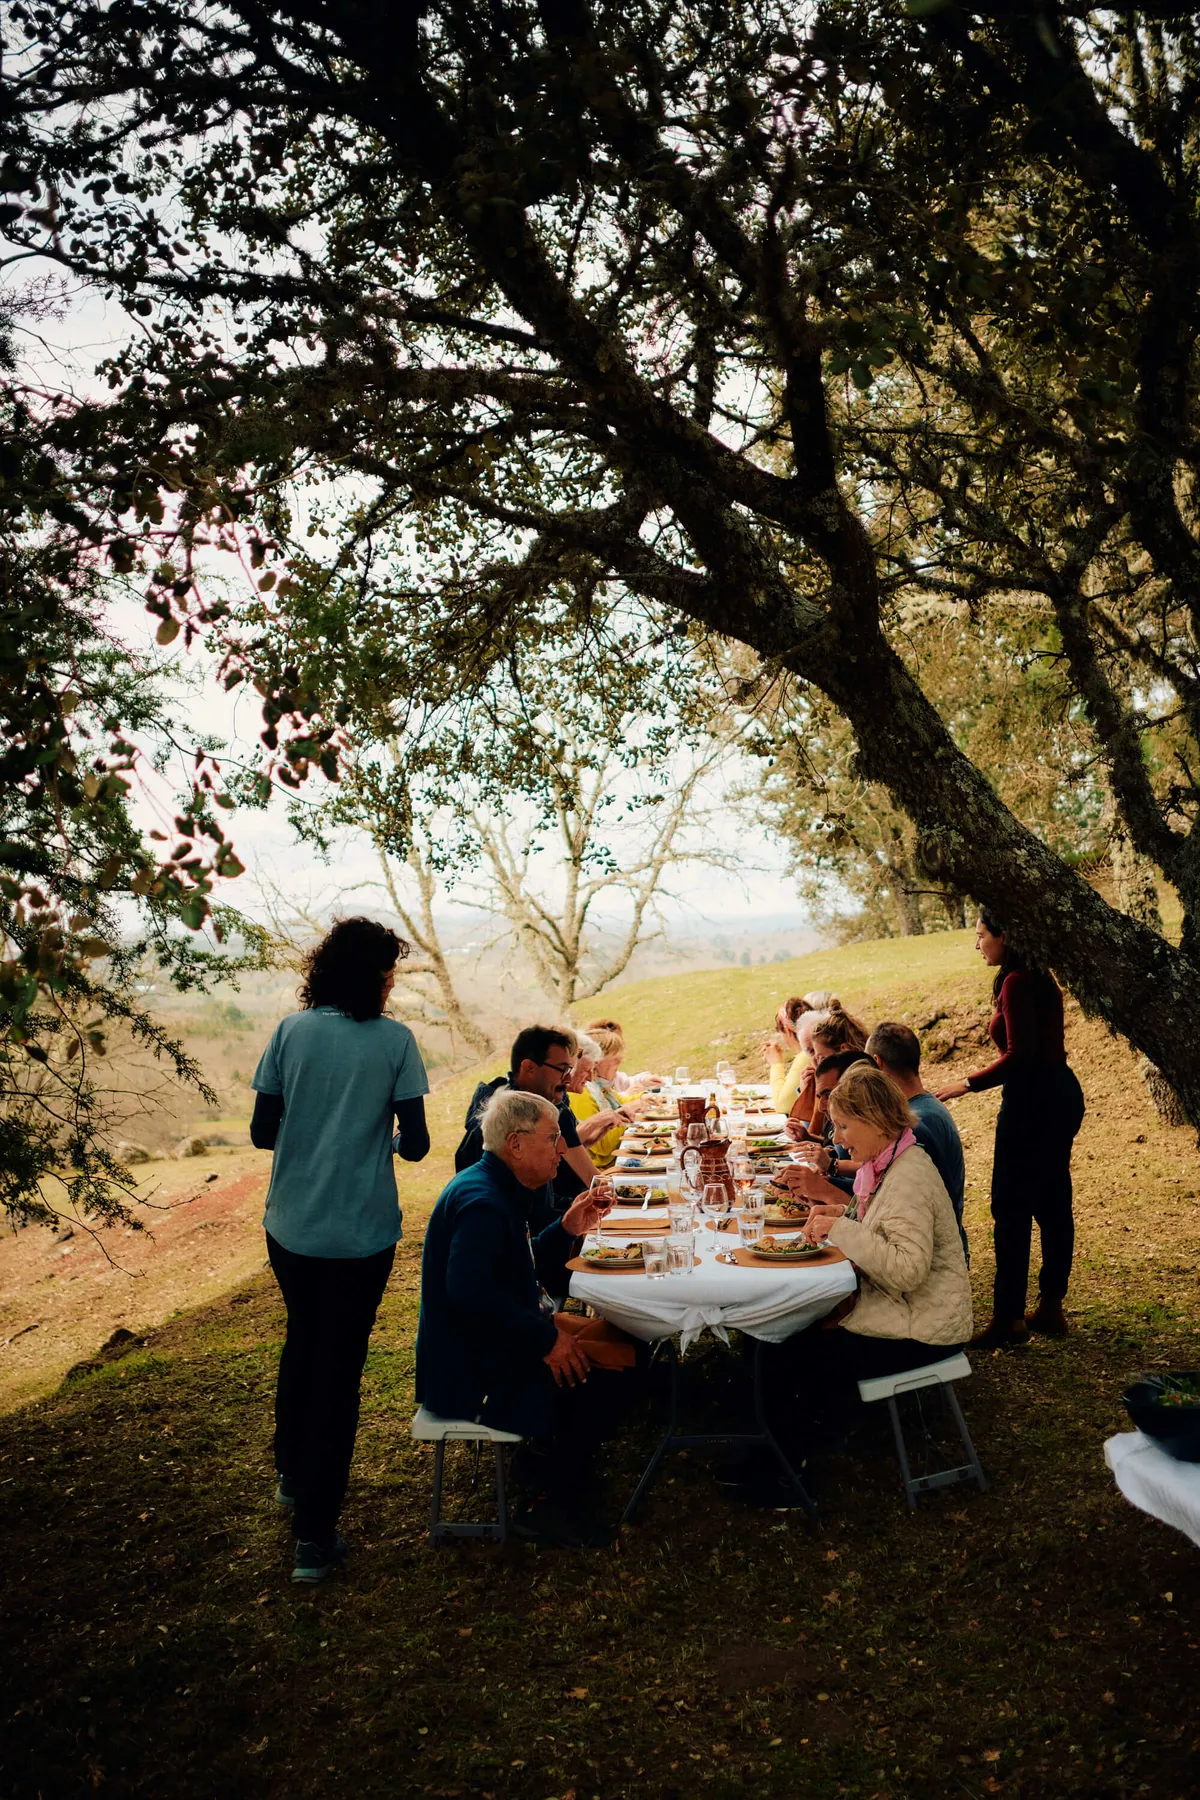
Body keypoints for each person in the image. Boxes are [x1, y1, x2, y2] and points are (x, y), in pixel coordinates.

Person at [250, 916, 430, 1584]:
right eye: (388, 974)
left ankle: (293, 1475)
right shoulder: (394, 1043)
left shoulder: (290, 1032)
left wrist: (316, 1130)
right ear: (375, 978)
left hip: (291, 1225)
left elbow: (263, 1131)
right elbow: (414, 1144)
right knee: (338, 1370)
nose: (390, 986)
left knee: (303, 1340)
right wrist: (370, 1136)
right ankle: (314, 1538)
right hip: (360, 1232)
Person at [735, 1064, 972, 1506]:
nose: (838, 1138)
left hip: (925, 1329)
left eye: (844, 1125)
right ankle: (778, 1451)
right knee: (780, 1341)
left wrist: (842, 1230)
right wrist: (836, 1217)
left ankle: (788, 1474)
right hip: (905, 1310)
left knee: (787, 1353)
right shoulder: (891, 1162)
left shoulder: (909, 1175)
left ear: (877, 1121)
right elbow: (881, 1233)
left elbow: (906, 1270)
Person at [417, 1089, 639, 1547]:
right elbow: (470, 1294)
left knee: (627, 1344)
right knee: (608, 1380)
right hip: (469, 1367)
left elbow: (512, 1265)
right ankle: (546, 1500)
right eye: (553, 1137)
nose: (562, 1147)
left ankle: (549, 1463)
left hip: (491, 1340)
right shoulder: (482, 1200)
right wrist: (545, 1341)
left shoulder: (495, 1186)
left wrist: (566, 1228)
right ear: (515, 1144)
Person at [936, 909, 1085, 1348]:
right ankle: (1050, 1306)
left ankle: (1009, 1319)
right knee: (1054, 1200)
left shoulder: (1019, 980)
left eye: (982, 935)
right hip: (1058, 1095)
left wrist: (966, 1084)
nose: (977, 943)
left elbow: (1021, 1054)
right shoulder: (1037, 975)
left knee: (1012, 1208)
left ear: (1006, 935)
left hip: (1032, 1105)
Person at [455, 1025, 621, 1220]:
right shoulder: (499, 1123)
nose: (568, 1079)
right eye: (562, 1069)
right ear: (529, 1068)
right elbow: (496, 1218)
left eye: (570, 1069)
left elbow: (542, 1204)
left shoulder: (551, 1105)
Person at [866, 1022, 968, 1257]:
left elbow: (902, 1197)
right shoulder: (926, 1107)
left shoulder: (916, 1124)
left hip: (935, 1255)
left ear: (877, 1063)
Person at [779, 1049, 873, 1201]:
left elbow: (870, 1216)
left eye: (829, 1095)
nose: (821, 1107)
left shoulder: (898, 1143)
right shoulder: (866, 1131)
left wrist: (829, 1173)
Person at [789, 1002, 870, 1142]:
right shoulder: (833, 1086)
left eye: (822, 1057)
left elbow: (860, 1158)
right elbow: (832, 1145)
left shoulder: (861, 1094)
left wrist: (832, 1163)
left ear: (843, 1049)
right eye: (810, 1052)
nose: (817, 1062)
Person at [572, 1022, 646, 1169]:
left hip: (610, 1164)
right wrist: (622, 1120)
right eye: (615, 1058)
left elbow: (621, 1103)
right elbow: (602, 1147)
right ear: (597, 1061)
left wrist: (642, 1098)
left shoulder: (600, 1088)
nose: (620, 1061)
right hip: (602, 1168)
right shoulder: (582, 1092)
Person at [761, 989, 837, 1113]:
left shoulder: (805, 1056)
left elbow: (783, 1106)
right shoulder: (810, 1053)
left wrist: (775, 1064)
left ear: (787, 1029)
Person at [584, 1017, 662, 1093]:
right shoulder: (588, 1086)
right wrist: (627, 1095)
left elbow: (627, 1082)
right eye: (614, 1056)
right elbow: (605, 1102)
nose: (620, 1060)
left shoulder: (614, 1077)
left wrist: (644, 1080)